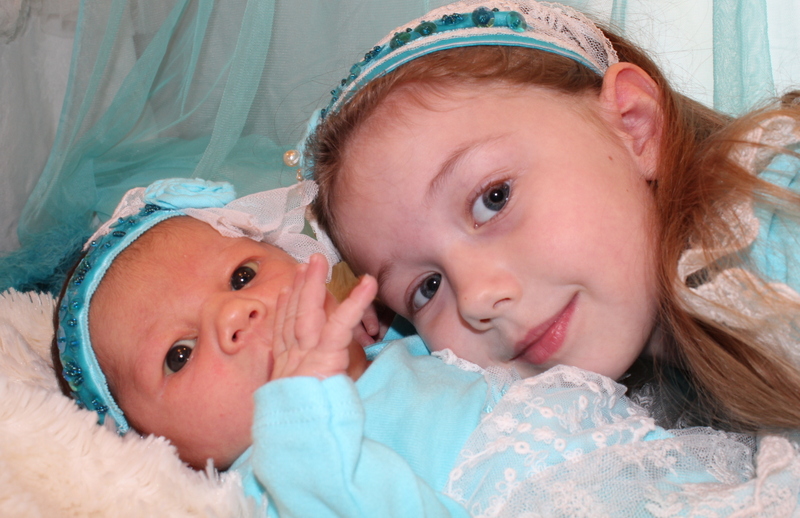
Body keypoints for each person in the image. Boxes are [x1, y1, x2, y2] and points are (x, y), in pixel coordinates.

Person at [54, 177, 791, 517]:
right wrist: (302, 408)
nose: (236, 317)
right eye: (179, 355)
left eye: (243, 275)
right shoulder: (278, 475)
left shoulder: (408, 341)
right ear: (157, 446)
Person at [305, 0, 800, 432]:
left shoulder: (775, 221)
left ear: (634, 127)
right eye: (427, 288)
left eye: (494, 198)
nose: (477, 297)